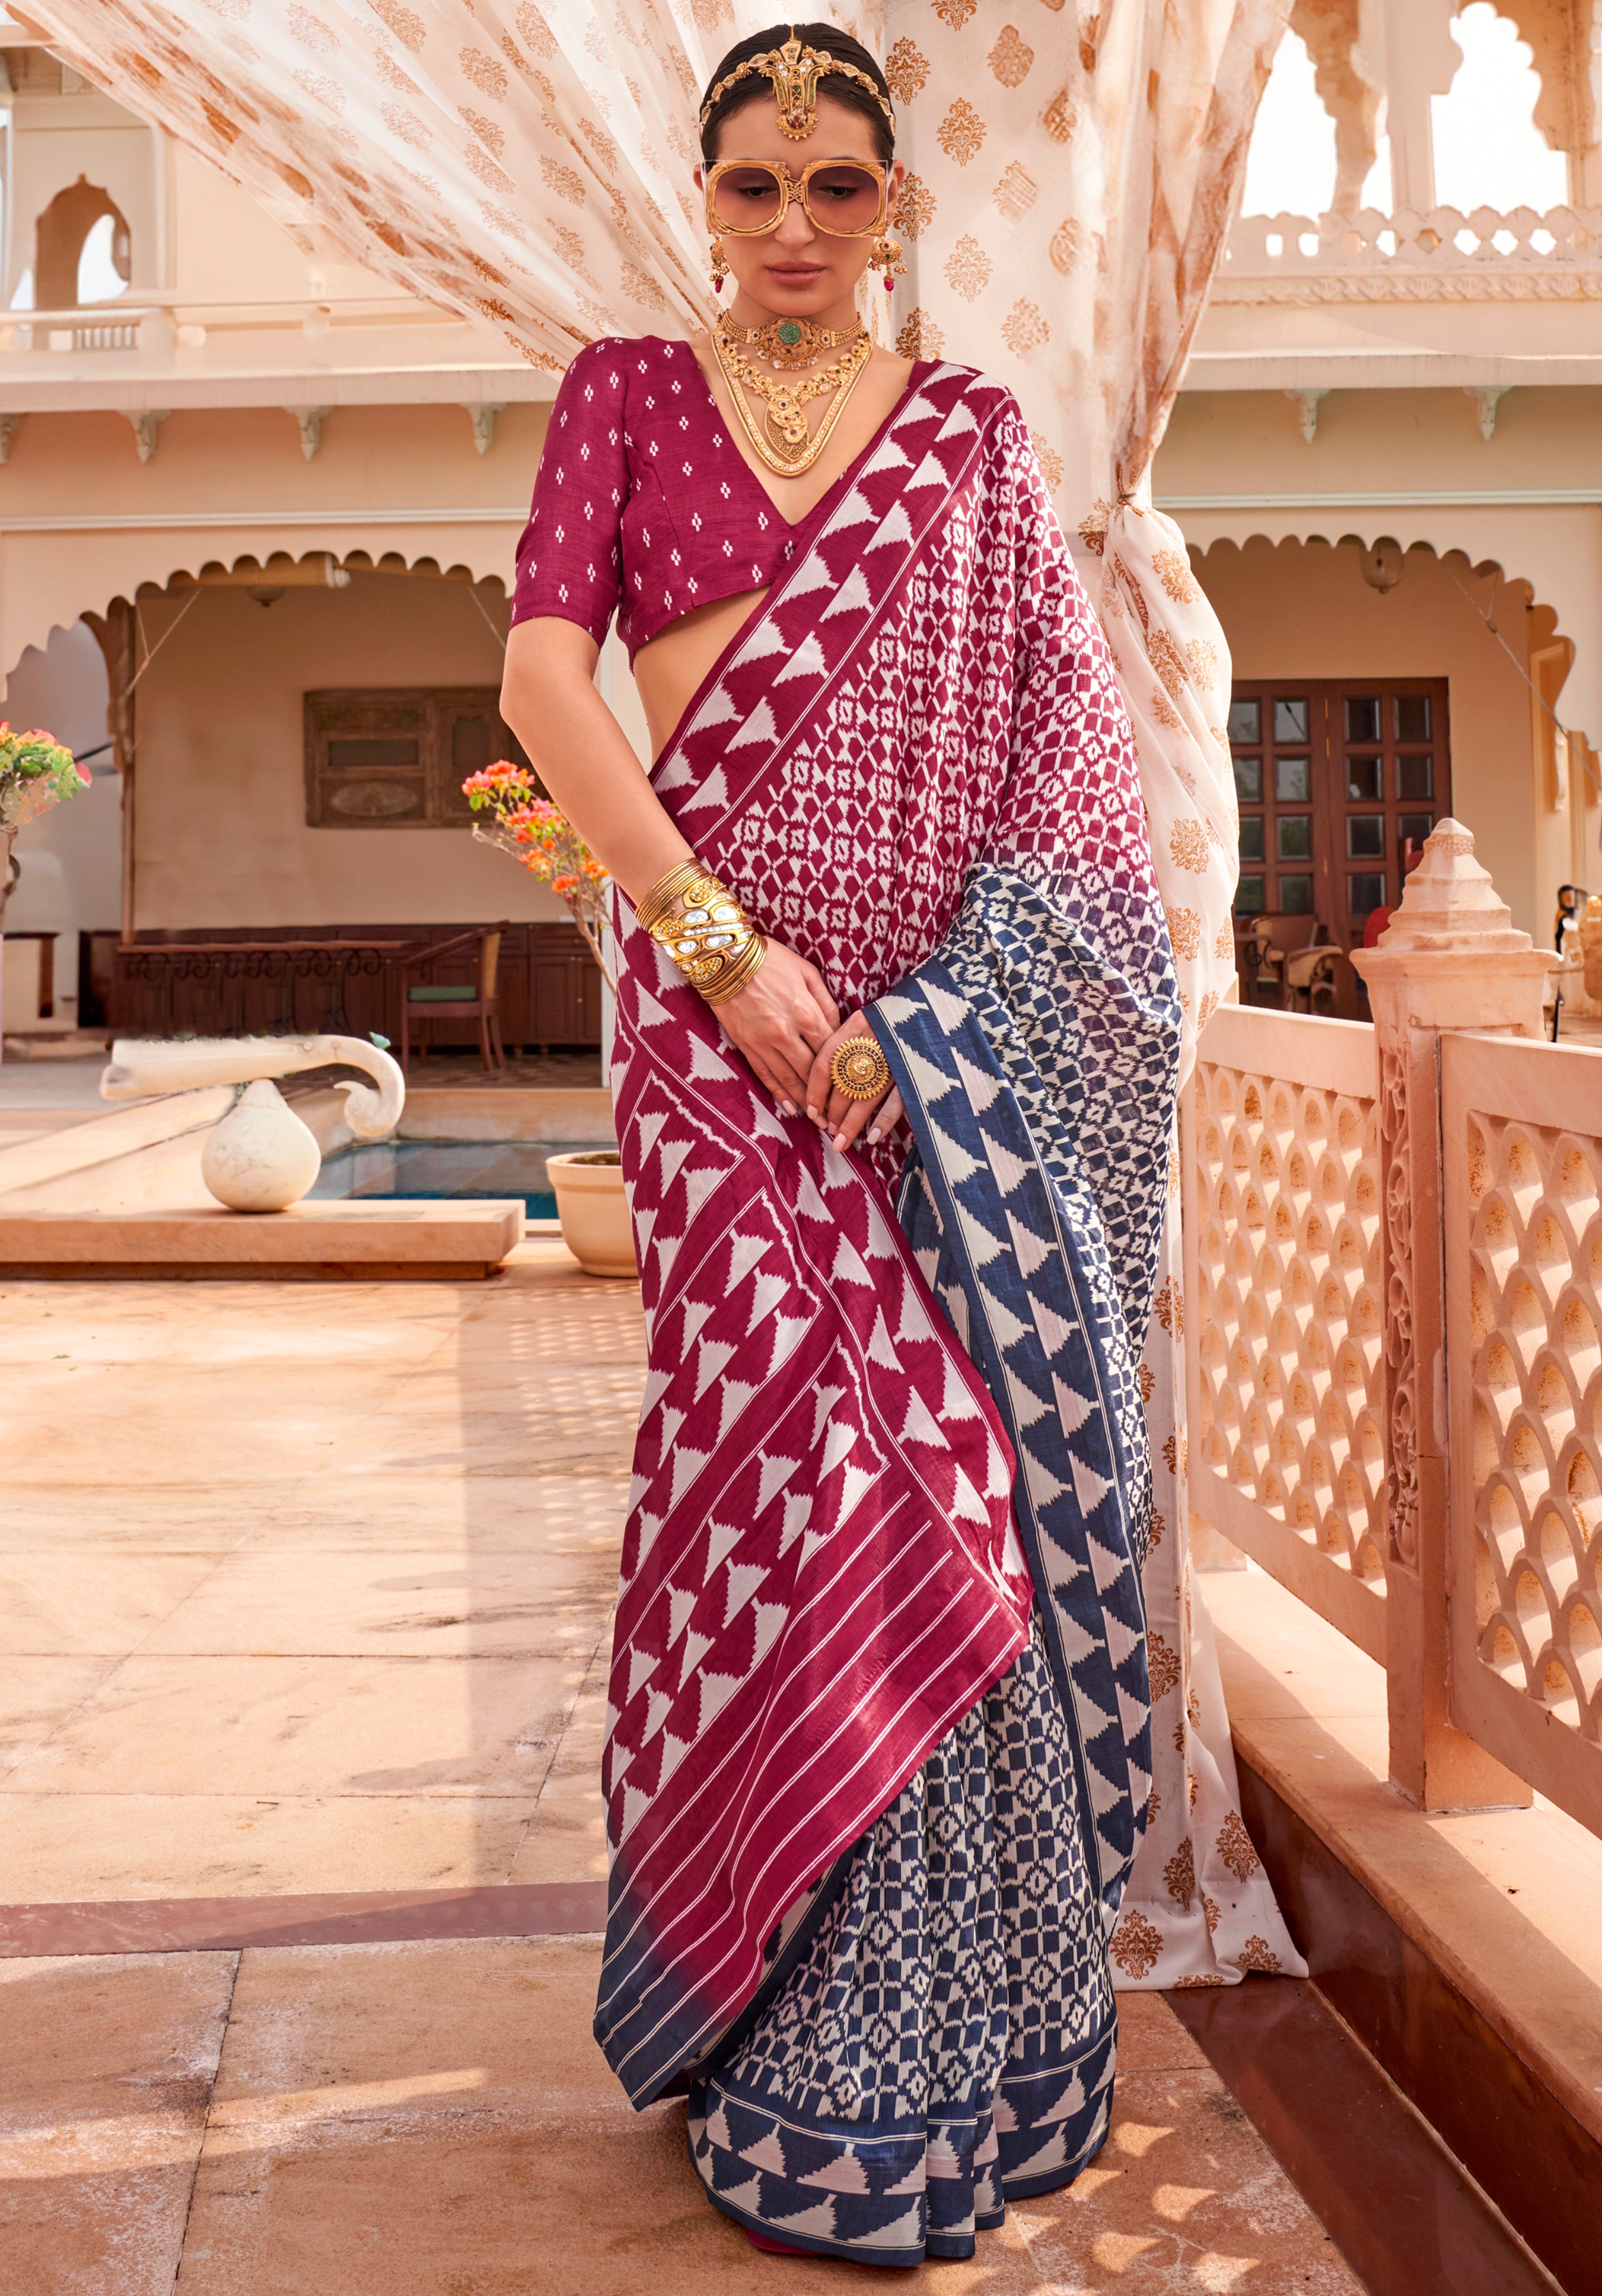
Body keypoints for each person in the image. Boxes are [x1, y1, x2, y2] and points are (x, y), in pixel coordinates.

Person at [499, 24, 1180, 2267]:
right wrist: (719, 958)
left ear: (896, 205)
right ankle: (775, 2029)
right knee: (805, 1471)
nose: (795, 228)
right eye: (757, 183)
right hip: (712, 1054)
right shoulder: (624, 392)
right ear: (705, 194)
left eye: (839, 188)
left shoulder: (967, 442)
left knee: (948, 1496)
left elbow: (1057, 788)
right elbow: (540, 688)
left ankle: (929, 2052)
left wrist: (924, 1038)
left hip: (925, 1076)